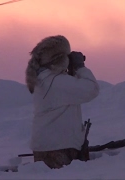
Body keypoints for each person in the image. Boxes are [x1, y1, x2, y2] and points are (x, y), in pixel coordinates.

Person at [25, 35, 99, 169]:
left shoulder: (44, 79)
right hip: (58, 148)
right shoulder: (56, 82)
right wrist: (80, 67)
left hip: (49, 146)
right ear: (60, 59)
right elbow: (91, 89)